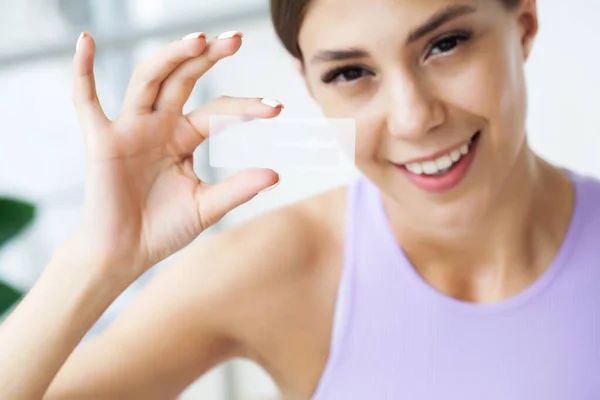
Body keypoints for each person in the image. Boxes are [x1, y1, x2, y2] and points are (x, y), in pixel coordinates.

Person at [0, 0, 599, 398]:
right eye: (349, 73)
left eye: (445, 44)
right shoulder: (280, 267)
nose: (414, 119)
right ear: (309, 81)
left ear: (523, 24)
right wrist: (94, 262)